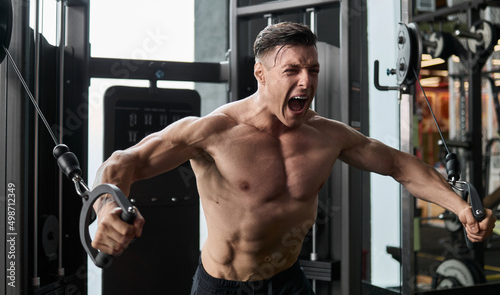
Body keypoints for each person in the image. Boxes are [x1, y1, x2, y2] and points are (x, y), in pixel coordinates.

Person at [91, 22, 496, 295]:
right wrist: (107, 207)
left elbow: (398, 165)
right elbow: (121, 164)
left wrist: (460, 207)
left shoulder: (327, 135)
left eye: (313, 70)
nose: (307, 81)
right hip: (225, 285)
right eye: (293, 70)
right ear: (261, 74)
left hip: (288, 280)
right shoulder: (214, 133)